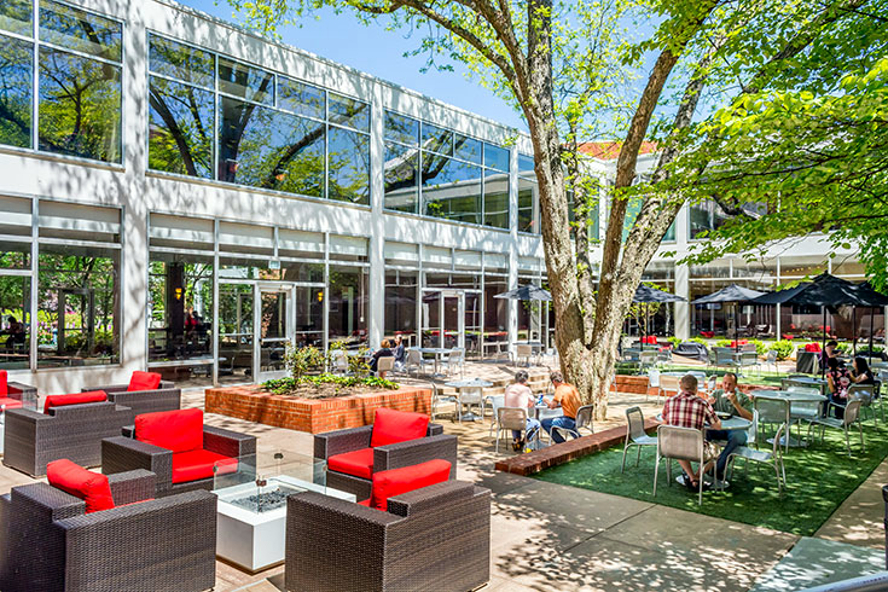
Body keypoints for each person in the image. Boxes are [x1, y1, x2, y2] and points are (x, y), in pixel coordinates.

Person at [661, 374, 722, 492]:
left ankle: (692, 478)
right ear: (696, 388)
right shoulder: (703, 404)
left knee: (679, 442)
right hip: (695, 451)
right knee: (718, 451)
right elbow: (717, 426)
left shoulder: (669, 401)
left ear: (681, 386)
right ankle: (698, 476)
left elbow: (664, 424)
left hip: (671, 448)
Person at [705, 372, 753, 488]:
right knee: (703, 432)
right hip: (719, 428)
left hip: (736, 430)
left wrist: (736, 404)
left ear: (735, 385)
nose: (726, 387)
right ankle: (705, 466)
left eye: (730, 384)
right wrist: (708, 404)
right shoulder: (717, 394)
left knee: (737, 438)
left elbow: (750, 418)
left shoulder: (742, 398)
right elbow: (705, 411)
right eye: (725, 383)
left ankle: (717, 469)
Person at [504, 370, 541, 451]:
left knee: (514, 417)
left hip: (506, 421)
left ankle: (517, 441)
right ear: (525, 380)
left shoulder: (508, 388)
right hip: (521, 421)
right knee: (537, 424)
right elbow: (532, 404)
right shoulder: (526, 389)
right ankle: (525, 441)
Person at [540, 371, 582, 444]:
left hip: (570, 420)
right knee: (563, 420)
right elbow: (569, 403)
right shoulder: (571, 386)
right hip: (579, 418)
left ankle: (561, 443)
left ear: (554, 381)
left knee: (544, 422)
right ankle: (579, 438)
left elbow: (552, 406)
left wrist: (546, 401)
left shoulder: (560, 389)